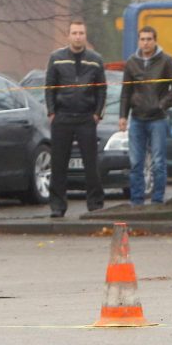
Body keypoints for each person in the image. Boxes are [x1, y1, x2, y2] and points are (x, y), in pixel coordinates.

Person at [45, 19, 107, 217]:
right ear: (68, 35)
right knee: (58, 164)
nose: (78, 36)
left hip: (86, 118)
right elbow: (49, 87)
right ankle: (57, 206)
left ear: (85, 36)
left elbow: (101, 90)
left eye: (81, 33)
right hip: (62, 117)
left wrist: (98, 113)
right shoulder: (56, 58)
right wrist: (51, 112)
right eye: (74, 33)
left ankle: (95, 204)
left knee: (91, 164)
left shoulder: (95, 59)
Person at [118, 26, 172, 206]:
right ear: (138, 41)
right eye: (142, 39)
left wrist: (161, 105)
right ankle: (137, 200)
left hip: (158, 119)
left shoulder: (166, 60)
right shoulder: (132, 62)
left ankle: (157, 200)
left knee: (158, 162)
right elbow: (126, 91)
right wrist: (123, 115)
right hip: (137, 118)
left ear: (155, 40)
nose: (145, 42)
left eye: (149, 39)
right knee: (136, 162)